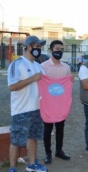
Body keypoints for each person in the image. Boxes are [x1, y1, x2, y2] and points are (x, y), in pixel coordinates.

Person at [7, 35, 48, 172]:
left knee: (33, 137)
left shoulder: (38, 66)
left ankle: (32, 164)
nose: (39, 49)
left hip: (37, 109)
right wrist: (32, 79)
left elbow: (46, 85)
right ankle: (12, 167)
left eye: (40, 47)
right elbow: (12, 86)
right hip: (21, 110)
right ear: (29, 47)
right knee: (16, 140)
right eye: (37, 46)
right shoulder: (17, 64)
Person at [41, 40, 72, 164]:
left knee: (60, 128)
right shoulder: (43, 66)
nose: (59, 51)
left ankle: (59, 151)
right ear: (51, 50)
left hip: (60, 103)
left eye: (61, 49)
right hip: (47, 103)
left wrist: (70, 82)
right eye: (57, 49)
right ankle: (48, 153)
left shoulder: (66, 67)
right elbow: (40, 83)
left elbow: (68, 82)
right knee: (47, 129)